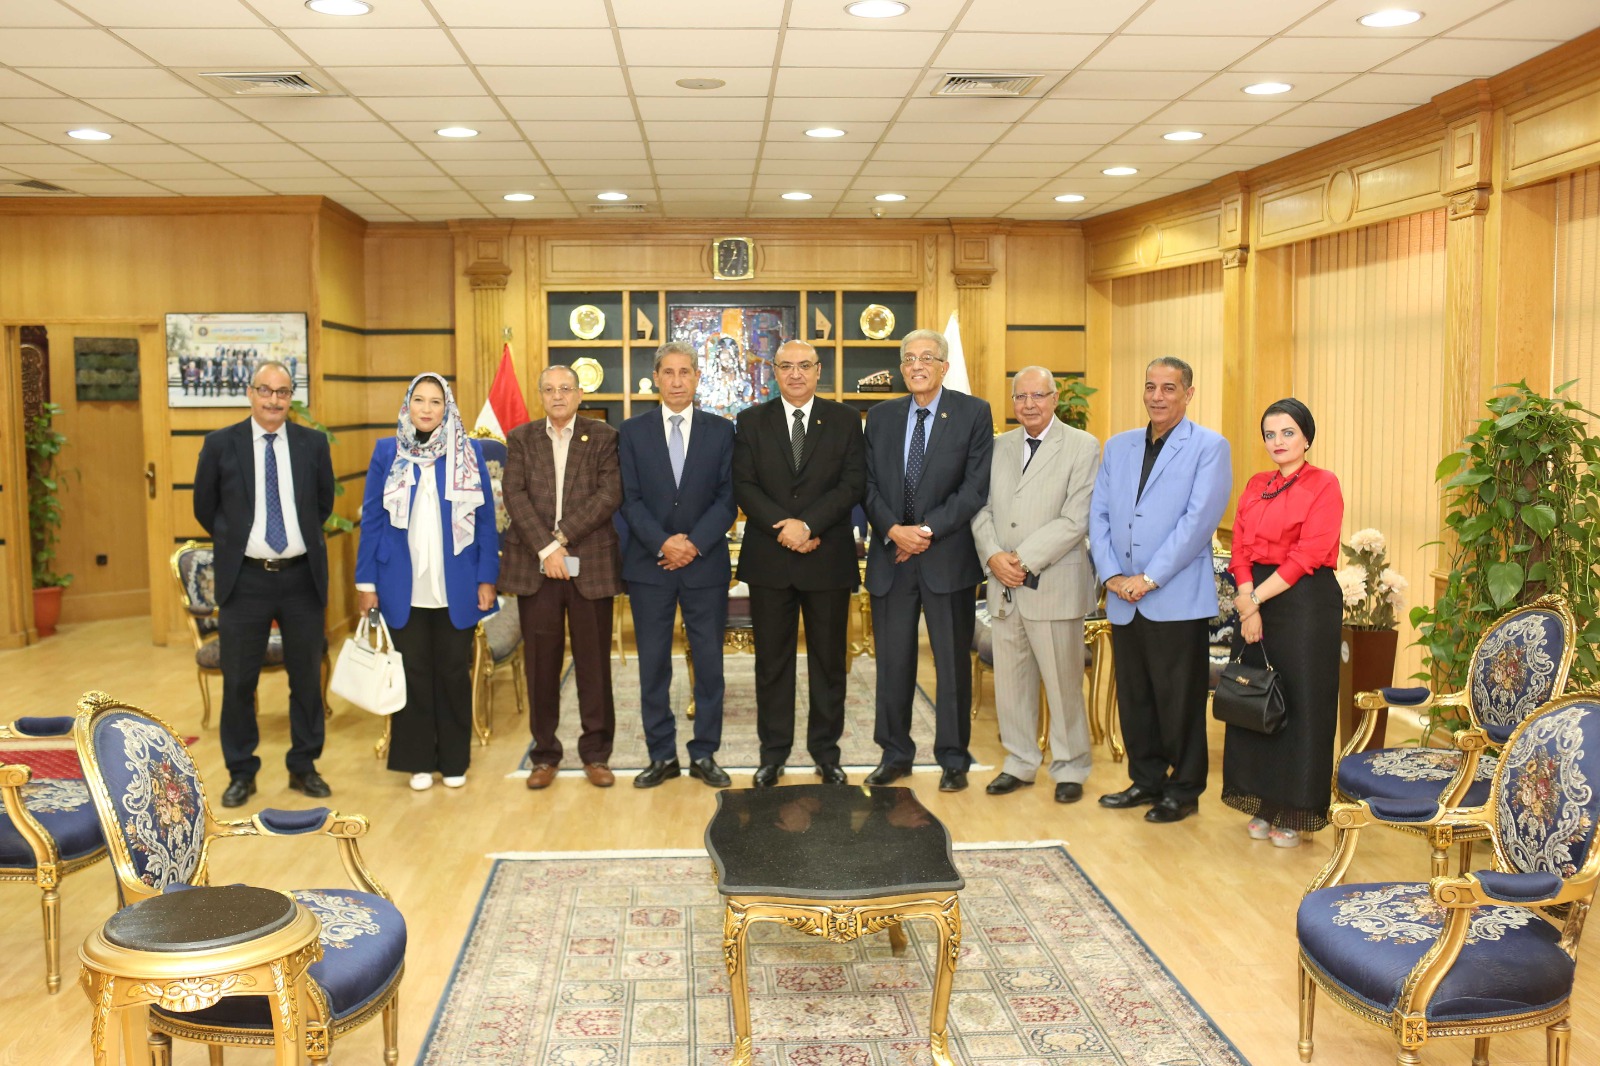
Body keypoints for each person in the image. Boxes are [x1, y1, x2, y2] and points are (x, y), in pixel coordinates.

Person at [1088, 356, 1231, 824]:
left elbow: (1198, 522)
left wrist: (1149, 578)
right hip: (1123, 597)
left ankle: (1183, 790)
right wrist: (1111, 575)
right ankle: (1145, 779)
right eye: (1150, 386)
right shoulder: (1119, 446)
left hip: (1175, 596)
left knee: (1179, 700)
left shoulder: (1209, 447)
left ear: (1188, 394)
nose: (1157, 396)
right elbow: (1099, 515)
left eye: (1169, 388)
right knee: (1135, 696)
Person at [192, 360, 335, 807]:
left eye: (283, 392)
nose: (274, 400)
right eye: (266, 390)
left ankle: (304, 766)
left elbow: (323, 504)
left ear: (291, 398)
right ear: (251, 393)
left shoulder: (313, 444)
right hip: (246, 579)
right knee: (239, 682)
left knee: (306, 680)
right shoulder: (220, 444)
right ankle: (241, 771)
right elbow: (204, 507)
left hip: (301, 578)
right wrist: (240, 541)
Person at [355, 373, 500, 791]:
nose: (426, 408)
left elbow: (486, 521)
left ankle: (454, 760)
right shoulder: (387, 451)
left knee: (453, 672)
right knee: (413, 673)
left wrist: (486, 578)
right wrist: (366, 583)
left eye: (436, 401)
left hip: (457, 582)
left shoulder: (468, 451)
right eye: (419, 400)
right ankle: (417, 760)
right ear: (408, 405)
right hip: (400, 582)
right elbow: (372, 520)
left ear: (447, 407)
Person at [862, 329, 992, 793]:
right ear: (901, 368)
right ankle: (894, 754)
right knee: (893, 664)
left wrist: (925, 532)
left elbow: (975, 487)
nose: (917, 365)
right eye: (909, 358)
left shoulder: (973, 412)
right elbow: (866, 483)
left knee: (952, 664)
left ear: (944, 367)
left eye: (927, 358)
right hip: (891, 558)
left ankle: (953, 758)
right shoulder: (880, 417)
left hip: (947, 559)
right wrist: (893, 530)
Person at [733, 339, 866, 787]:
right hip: (770, 560)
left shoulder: (845, 419)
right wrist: (785, 529)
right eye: (786, 366)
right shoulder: (752, 420)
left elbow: (852, 483)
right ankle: (773, 754)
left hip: (826, 558)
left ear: (818, 370)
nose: (795, 374)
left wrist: (808, 526)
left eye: (804, 365)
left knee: (829, 663)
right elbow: (744, 485)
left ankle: (826, 753)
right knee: (772, 663)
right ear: (774, 371)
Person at [971, 367, 1101, 803]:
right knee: (1011, 684)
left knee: (1063, 685)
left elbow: (1076, 518)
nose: (1029, 404)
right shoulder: (998, 446)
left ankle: (1071, 767)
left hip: (1053, 585)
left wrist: (1022, 560)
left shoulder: (1082, 446)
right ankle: (1020, 761)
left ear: (1054, 398)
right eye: (1020, 396)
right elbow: (980, 508)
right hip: (1003, 585)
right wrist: (994, 556)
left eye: (1038, 395)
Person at [1223, 399, 1343, 847]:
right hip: (1254, 597)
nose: (1278, 441)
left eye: (1288, 432)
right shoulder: (1257, 484)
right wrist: (1248, 602)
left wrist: (1253, 599)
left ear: (1306, 437)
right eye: (1270, 434)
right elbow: (1239, 547)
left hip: (1305, 603)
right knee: (1254, 696)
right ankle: (1261, 800)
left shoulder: (1324, 483)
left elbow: (1308, 554)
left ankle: (1294, 808)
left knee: (1300, 703)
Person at [619, 341, 737, 789]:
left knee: (709, 665)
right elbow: (629, 500)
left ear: (697, 378)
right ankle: (661, 755)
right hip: (649, 567)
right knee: (654, 666)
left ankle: (704, 753)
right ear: (656, 378)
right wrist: (663, 543)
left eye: (685, 372)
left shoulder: (721, 431)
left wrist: (693, 544)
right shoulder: (632, 432)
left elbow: (728, 499)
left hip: (704, 566)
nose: (676, 381)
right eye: (667, 373)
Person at [500, 365, 623, 790]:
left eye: (565, 389)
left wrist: (563, 536)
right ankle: (545, 755)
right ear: (540, 395)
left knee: (594, 665)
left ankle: (596, 753)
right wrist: (547, 549)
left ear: (579, 394)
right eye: (550, 389)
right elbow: (514, 495)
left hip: (590, 565)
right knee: (541, 666)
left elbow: (609, 494)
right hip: (536, 568)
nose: (557, 396)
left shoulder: (603, 436)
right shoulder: (521, 438)